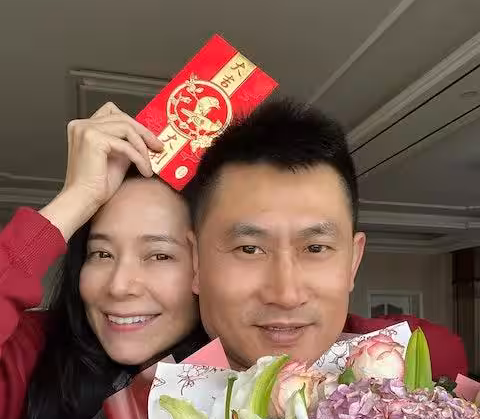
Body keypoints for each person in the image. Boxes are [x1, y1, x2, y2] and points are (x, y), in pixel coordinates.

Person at [0, 103, 207, 419]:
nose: (119, 285)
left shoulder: (254, 378)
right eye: (101, 253)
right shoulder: (27, 355)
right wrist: (75, 199)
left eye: (159, 255)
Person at [184, 99, 468, 377]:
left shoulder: (427, 370)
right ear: (196, 260)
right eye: (249, 249)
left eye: (315, 248)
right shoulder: (157, 384)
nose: (286, 295)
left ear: (353, 261)